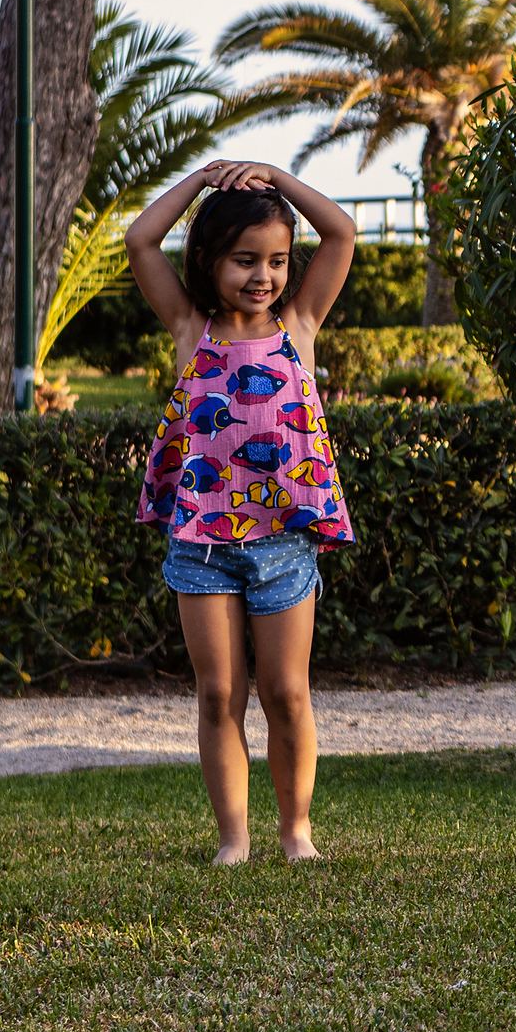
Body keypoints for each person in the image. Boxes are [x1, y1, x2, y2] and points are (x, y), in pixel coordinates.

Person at [125, 160, 360, 865]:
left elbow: (341, 233)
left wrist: (281, 182)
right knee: (218, 691)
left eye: (278, 260)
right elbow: (140, 239)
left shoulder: (300, 323)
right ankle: (234, 838)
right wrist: (200, 180)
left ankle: (297, 832)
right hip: (201, 543)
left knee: (287, 692)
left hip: (285, 544)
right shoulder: (190, 328)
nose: (264, 275)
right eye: (244, 260)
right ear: (208, 260)